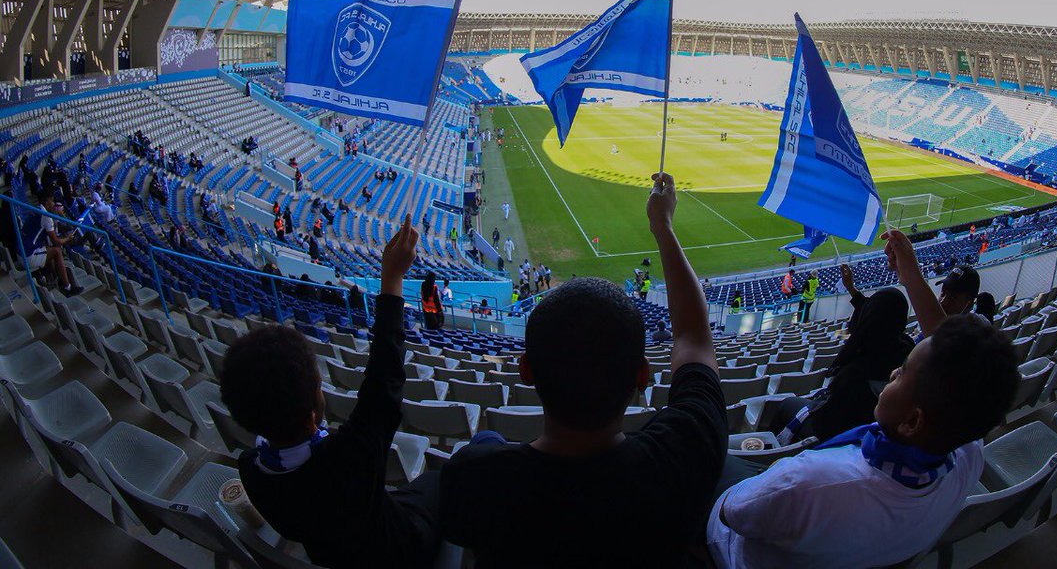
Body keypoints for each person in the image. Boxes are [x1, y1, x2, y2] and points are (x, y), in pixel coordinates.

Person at [440, 172, 727, 565]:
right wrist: (663, 228)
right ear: (641, 376)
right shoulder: (682, 457)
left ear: (527, 372)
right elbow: (694, 337)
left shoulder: (476, 480)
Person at [707, 228, 1019, 569]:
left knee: (705, 459)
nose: (893, 373)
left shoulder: (811, 481)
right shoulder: (967, 454)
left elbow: (731, 513)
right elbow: (956, 363)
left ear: (912, 421)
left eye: (902, 372)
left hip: (731, 550)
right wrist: (909, 273)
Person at [219, 215, 441, 569]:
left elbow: (383, 382)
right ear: (312, 413)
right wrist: (392, 276)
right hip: (401, 548)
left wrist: (391, 278)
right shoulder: (351, 457)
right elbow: (385, 376)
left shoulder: (251, 467)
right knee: (439, 480)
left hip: (329, 552)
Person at [770, 286, 914, 444]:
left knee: (787, 404)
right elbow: (879, 314)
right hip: (864, 429)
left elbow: (826, 424)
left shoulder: (856, 371)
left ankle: (771, 451)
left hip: (836, 434)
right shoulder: (908, 349)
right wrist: (852, 289)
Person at [23, 186, 82, 294]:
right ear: (47, 202)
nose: (53, 203)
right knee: (57, 251)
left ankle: (53, 278)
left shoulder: (35, 209)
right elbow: (56, 242)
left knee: (49, 250)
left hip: (22, 251)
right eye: (52, 200)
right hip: (28, 255)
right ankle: (67, 287)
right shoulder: (46, 216)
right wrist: (67, 239)